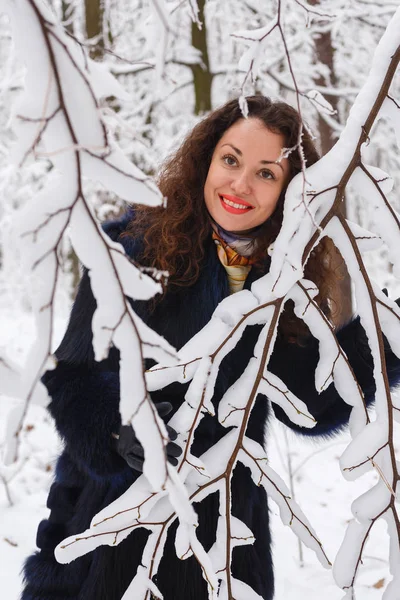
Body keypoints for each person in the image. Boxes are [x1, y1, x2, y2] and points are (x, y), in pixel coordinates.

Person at [21, 96, 400, 600]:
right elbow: (70, 378)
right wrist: (118, 427)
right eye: (231, 160)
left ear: (290, 189)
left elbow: (308, 404)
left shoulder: (286, 281)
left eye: (267, 173)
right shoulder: (128, 252)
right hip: (104, 529)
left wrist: (385, 340)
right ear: (206, 160)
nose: (241, 184)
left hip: (227, 542)